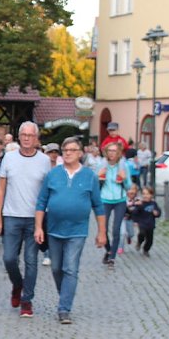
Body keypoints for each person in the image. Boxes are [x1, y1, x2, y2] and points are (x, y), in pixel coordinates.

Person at [34, 137, 107, 324]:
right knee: (57, 268)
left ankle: (64, 308)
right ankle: (65, 294)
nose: (67, 153)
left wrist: (102, 232)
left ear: (80, 153)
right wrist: (38, 227)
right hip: (54, 229)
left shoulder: (89, 176)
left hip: (78, 231)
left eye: (72, 150)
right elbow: (41, 202)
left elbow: (98, 206)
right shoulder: (53, 174)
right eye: (65, 150)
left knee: (70, 268)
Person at [0, 121, 51, 317]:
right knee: (9, 258)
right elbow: (1, 188)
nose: (26, 138)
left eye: (30, 135)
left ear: (36, 138)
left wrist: (44, 220)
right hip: (11, 216)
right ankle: (18, 285)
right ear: (19, 137)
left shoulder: (44, 161)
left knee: (31, 260)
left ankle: (27, 300)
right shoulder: (9, 158)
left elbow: (48, 191)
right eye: (23, 135)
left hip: (35, 218)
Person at [98, 142, 132, 268]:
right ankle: (108, 250)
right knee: (103, 229)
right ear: (106, 152)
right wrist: (99, 178)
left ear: (118, 153)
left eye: (114, 151)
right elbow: (95, 187)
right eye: (110, 151)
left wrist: (123, 179)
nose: (112, 153)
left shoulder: (124, 166)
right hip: (104, 199)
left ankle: (112, 257)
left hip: (119, 200)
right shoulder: (101, 165)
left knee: (116, 229)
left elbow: (129, 186)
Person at [128, 186, 162, 256]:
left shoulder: (153, 203)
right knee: (142, 233)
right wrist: (135, 221)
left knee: (150, 240)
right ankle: (139, 242)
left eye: (147, 194)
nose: (145, 196)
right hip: (142, 223)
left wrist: (156, 213)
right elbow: (135, 213)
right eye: (144, 194)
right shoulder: (140, 203)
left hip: (150, 224)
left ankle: (146, 249)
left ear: (151, 195)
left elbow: (158, 212)